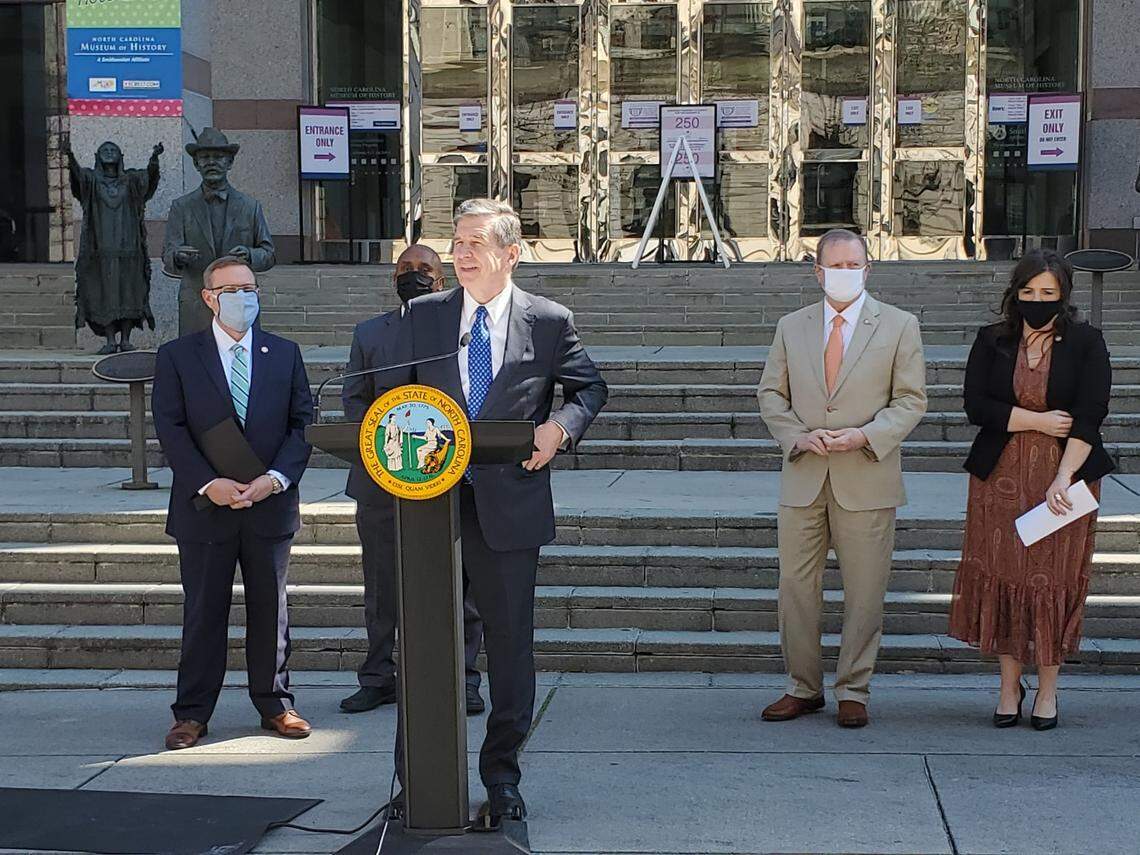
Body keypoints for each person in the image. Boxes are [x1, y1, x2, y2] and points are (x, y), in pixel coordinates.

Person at [381, 199, 607, 821]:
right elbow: (392, 391)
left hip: (510, 504)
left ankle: (502, 777)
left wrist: (558, 429)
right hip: (429, 507)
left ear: (510, 254)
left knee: (509, 651)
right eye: (456, 242)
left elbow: (589, 387)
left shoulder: (549, 321)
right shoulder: (424, 316)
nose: (461, 253)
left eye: (475, 242)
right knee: (425, 647)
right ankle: (417, 780)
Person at [757, 228, 927, 728]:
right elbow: (771, 393)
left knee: (866, 590)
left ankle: (854, 688)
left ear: (868, 269)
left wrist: (866, 435)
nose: (845, 274)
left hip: (867, 474)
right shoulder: (792, 326)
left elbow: (911, 399)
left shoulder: (899, 325)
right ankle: (802, 687)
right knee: (795, 588)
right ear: (818, 272)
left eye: (854, 266)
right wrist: (796, 436)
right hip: (804, 475)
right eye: (836, 266)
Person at [152, 256, 313, 750]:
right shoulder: (178, 356)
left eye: (249, 288)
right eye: (230, 290)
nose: (243, 298)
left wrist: (275, 479)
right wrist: (207, 483)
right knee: (204, 611)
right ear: (209, 298)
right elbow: (171, 428)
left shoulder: (284, 353)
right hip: (205, 509)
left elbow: (302, 424)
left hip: (269, 504)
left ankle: (276, 704)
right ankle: (192, 713)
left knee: (271, 610)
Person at [948, 249, 1113, 731]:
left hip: (1066, 476)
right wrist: (1036, 420)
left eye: (1048, 293)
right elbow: (975, 405)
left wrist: (1063, 477)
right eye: (1028, 292)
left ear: (1063, 295)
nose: (1037, 300)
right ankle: (1008, 686)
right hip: (998, 477)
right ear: (1015, 293)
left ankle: (1047, 689)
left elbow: (1091, 413)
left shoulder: (1086, 341)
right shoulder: (992, 339)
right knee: (1004, 577)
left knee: (1052, 582)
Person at [339, 245, 486, 715]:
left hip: (451, 477)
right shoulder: (370, 333)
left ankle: (462, 678)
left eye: (424, 269)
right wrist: (384, 448)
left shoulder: (464, 332)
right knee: (382, 586)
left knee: (459, 587)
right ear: (392, 278)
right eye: (405, 268)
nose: (414, 275)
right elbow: (355, 398)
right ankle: (379, 676)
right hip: (382, 479)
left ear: (442, 281)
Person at [162, 128, 276, 336]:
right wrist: (178, 256)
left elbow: (268, 255)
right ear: (196, 164)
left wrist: (250, 255)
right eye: (205, 158)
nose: (211, 162)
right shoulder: (181, 207)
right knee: (194, 356)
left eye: (218, 157)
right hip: (196, 303)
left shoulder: (250, 206)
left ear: (229, 162)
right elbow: (168, 254)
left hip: (239, 302)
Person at [67, 140, 162, 353]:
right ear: (97, 156)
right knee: (104, 292)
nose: (109, 153)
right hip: (100, 248)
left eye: (113, 150)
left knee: (129, 291)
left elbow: (148, 181)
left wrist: (154, 159)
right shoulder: (92, 179)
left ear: (120, 156)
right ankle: (110, 340)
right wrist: (70, 157)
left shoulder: (131, 179)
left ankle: (126, 339)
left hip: (129, 247)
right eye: (105, 150)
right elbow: (78, 179)